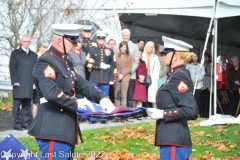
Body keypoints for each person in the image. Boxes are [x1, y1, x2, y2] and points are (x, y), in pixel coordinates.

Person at [28, 24, 115, 159]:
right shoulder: (46, 61)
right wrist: (78, 103)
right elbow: (52, 93)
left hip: (64, 130)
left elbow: (82, 84)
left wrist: (102, 98)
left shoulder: (65, 62)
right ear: (59, 40)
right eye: (72, 42)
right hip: (53, 128)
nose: (75, 46)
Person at [147, 36, 198, 159]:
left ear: (175, 56)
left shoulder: (178, 76)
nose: (162, 56)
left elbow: (191, 110)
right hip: (170, 139)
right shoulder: (174, 75)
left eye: (165, 53)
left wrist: (163, 113)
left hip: (175, 140)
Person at [9, 34, 37, 130]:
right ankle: (17, 124)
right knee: (17, 104)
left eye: (28, 41)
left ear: (30, 42)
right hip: (18, 83)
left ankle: (25, 123)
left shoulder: (34, 55)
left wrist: (34, 83)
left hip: (29, 84)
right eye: (24, 41)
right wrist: (14, 81)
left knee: (27, 105)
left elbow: (35, 70)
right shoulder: (15, 53)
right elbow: (12, 68)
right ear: (21, 42)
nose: (26, 43)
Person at [113, 28, 139, 108]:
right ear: (122, 36)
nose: (125, 37)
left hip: (130, 74)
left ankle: (128, 113)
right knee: (117, 94)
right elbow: (114, 61)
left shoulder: (134, 46)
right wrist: (118, 74)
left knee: (129, 96)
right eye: (124, 35)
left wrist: (130, 71)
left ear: (130, 36)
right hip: (118, 75)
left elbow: (136, 61)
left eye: (127, 35)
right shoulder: (117, 46)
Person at [86, 31, 115, 96]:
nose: (101, 40)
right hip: (94, 78)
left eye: (102, 39)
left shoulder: (110, 51)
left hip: (106, 78)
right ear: (97, 39)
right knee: (94, 97)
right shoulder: (92, 50)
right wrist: (98, 65)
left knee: (104, 98)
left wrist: (112, 78)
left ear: (105, 40)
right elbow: (88, 64)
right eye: (99, 39)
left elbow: (113, 65)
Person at [32, 38, 49, 118]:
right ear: (39, 47)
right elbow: (32, 72)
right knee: (36, 102)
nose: (45, 49)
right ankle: (35, 120)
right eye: (44, 47)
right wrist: (34, 83)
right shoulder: (35, 58)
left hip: (44, 83)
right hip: (36, 83)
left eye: (46, 47)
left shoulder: (46, 58)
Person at [142, 41, 160, 108]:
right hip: (143, 78)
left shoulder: (155, 57)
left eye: (151, 47)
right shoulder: (142, 55)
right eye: (148, 47)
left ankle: (151, 110)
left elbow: (158, 67)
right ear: (146, 47)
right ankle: (143, 111)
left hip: (152, 78)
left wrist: (156, 77)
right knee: (143, 95)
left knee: (151, 96)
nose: (149, 48)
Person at [114, 41, 132, 106]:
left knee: (124, 95)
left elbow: (130, 67)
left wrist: (122, 75)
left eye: (125, 47)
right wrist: (118, 75)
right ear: (119, 48)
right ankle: (117, 110)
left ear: (126, 48)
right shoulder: (115, 56)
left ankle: (123, 111)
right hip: (117, 76)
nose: (123, 48)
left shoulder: (129, 56)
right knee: (117, 95)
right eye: (122, 47)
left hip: (125, 77)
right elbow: (114, 66)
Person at [201, 53, 212, 117]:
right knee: (201, 100)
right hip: (201, 85)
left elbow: (214, 75)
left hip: (208, 85)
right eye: (204, 57)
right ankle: (201, 113)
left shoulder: (211, 65)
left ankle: (207, 114)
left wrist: (207, 74)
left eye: (207, 57)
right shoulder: (201, 65)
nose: (206, 58)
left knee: (207, 100)